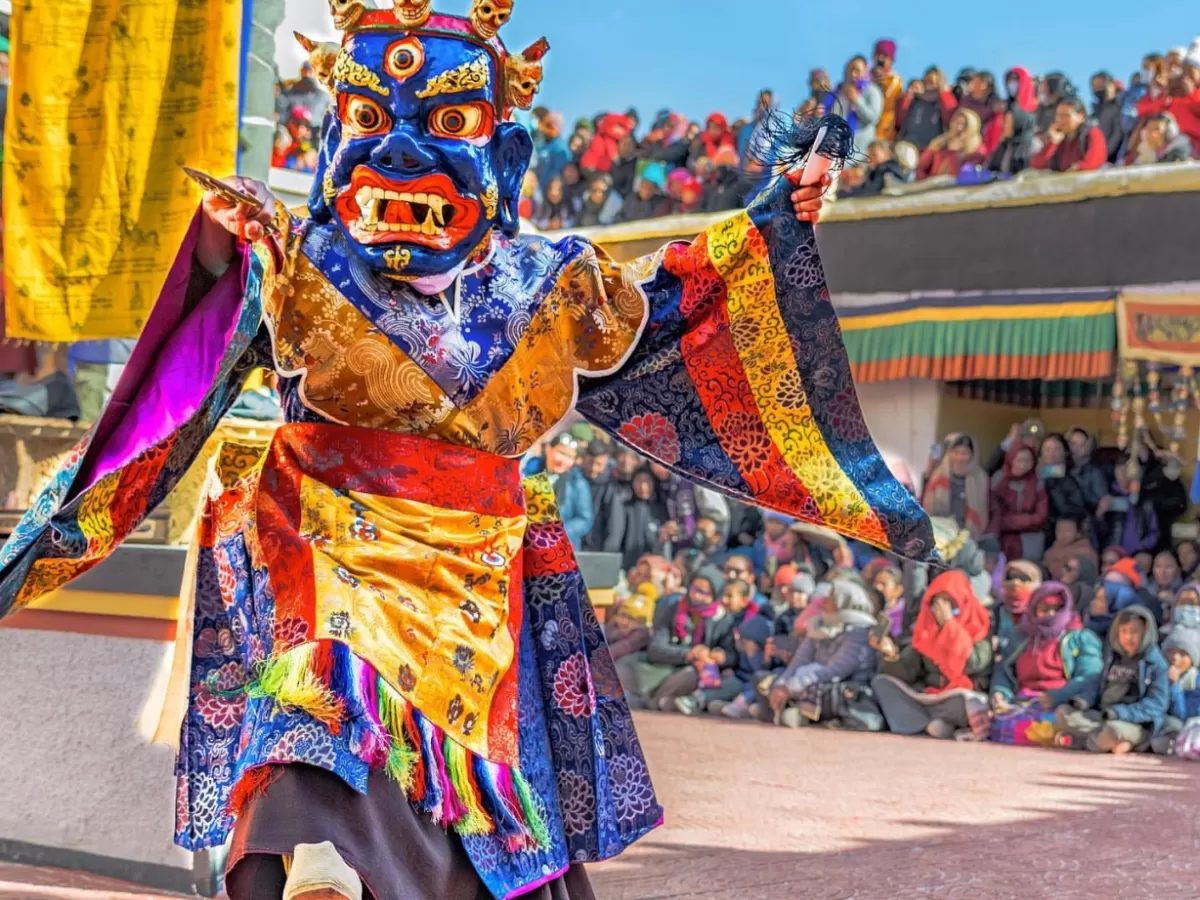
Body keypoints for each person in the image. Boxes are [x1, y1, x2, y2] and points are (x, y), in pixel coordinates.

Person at [0, 5, 936, 896]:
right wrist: (218, 254)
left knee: (474, 807)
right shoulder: (293, 262)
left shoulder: (552, 284)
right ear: (330, 145)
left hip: (476, 578)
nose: (401, 152)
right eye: (369, 119)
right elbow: (175, 384)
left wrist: (772, 222)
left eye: (447, 122)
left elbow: (669, 308)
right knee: (320, 686)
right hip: (323, 539)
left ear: (507, 155)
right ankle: (317, 856)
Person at [872, 570, 993, 740]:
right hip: (931, 696)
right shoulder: (926, 630)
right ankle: (927, 724)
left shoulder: (980, 628)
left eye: (950, 604)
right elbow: (907, 673)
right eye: (937, 605)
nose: (941, 611)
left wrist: (950, 627)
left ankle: (936, 723)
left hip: (959, 696)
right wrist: (890, 654)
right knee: (881, 683)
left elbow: (972, 663)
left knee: (967, 701)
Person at [989, 582, 1103, 744]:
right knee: (998, 723)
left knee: (1056, 724)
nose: (1051, 614)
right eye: (1044, 609)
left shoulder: (1081, 638)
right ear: (1034, 609)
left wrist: (1056, 696)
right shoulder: (1020, 635)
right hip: (1023, 702)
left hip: (1060, 702)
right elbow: (1004, 669)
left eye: (1056, 609)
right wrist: (1000, 693)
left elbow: (1089, 676)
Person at [1055, 606, 1169, 754]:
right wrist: (1084, 700)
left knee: (1113, 730)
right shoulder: (1113, 657)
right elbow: (1098, 685)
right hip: (1103, 716)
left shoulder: (1156, 664)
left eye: (1134, 632)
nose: (1128, 637)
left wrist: (1120, 712)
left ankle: (1083, 741)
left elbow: (1157, 705)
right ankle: (1104, 742)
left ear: (1146, 633)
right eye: (1124, 631)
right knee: (1063, 713)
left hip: (1132, 722)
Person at [765, 580, 879, 727]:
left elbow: (835, 670)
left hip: (841, 685)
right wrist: (782, 684)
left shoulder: (860, 631)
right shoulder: (820, 623)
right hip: (811, 679)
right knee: (767, 681)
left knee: (822, 691)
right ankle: (792, 711)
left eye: (831, 597)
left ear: (843, 602)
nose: (825, 600)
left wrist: (791, 687)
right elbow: (801, 659)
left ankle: (800, 714)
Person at [639, 567, 739, 712]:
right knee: (689, 674)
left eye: (705, 593)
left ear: (715, 595)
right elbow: (656, 648)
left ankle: (677, 702)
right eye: (695, 589)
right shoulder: (673, 608)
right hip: (669, 668)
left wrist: (719, 657)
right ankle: (656, 701)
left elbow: (732, 656)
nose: (697, 596)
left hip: (705, 674)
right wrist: (689, 654)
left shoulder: (723, 619)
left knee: (727, 679)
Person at [523, 433, 594, 550]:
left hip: (560, 547)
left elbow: (585, 519)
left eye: (569, 457)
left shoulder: (577, 483)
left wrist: (556, 532)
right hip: (527, 542)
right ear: (548, 449)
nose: (563, 461)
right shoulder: (528, 472)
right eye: (561, 453)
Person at [989, 442, 1048, 564]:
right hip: (1001, 539)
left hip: (1030, 541)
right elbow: (993, 514)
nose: (1023, 465)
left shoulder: (1037, 481)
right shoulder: (998, 479)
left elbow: (1041, 516)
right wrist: (1024, 520)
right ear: (1011, 459)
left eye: (1028, 461)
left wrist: (1010, 521)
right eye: (1019, 460)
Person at [922, 434, 990, 536]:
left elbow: (985, 512)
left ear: (972, 455)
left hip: (969, 536)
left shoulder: (980, 478)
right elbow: (925, 506)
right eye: (955, 452)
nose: (959, 458)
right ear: (949, 453)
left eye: (964, 453)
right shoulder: (938, 474)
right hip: (938, 533)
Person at [1152, 626, 1200, 755]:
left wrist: (1175, 686)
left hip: (1186, 726)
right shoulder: (1157, 673)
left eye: (1183, 654)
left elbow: (1184, 714)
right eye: (1170, 652)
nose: (1175, 658)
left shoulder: (1196, 680)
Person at [825, 55, 884, 158]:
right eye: (850, 69)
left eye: (857, 70)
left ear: (865, 71)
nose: (853, 74)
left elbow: (873, 118)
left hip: (859, 153)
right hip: (835, 150)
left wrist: (856, 100)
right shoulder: (837, 92)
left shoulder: (872, 91)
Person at [1031, 97, 1108, 172]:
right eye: (1058, 115)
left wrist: (1076, 168)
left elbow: (1095, 161)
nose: (1060, 120)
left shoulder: (1092, 133)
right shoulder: (1059, 140)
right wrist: (1053, 143)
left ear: (1081, 117)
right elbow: (1037, 164)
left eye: (1066, 115)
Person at [579, 439, 626, 554]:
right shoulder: (574, 481)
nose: (593, 468)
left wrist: (607, 555)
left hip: (597, 550)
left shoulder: (610, 488)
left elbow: (615, 526)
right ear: (583, 458)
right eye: (590, 462)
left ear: (606, 462)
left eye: (598, 464)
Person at [897, 66, 956, 150]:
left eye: (933, 81)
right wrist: (909, 95)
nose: (930, 83)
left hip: (932, 148)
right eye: (927, 79)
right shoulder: (915, 98)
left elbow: (950, 117)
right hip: (908, 145)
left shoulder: (944, 98)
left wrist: (943, 93)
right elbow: (899, 120)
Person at [622, 468, 669, 570]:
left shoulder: (661, 510)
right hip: (628, 566)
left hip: (653, 567)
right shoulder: (624, 508)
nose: (643, 487)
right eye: (639, 481)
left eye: (647, 481)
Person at [839, 140, 907, 197]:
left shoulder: (887, 169)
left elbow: (871, 192)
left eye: (874, 154)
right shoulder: (875, 172)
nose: (870, 159)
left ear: (887, 154)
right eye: (868, 156)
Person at [1042, 517, 1098, 583]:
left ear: (1078, 533)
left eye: (1068, 531)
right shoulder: (1049, 552)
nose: (1063, 534)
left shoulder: (1086, 552)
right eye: (1059, 530)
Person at [1127, 111, 1195, 163]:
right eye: (1149, 130)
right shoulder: (1145, 148)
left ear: (1169, 131)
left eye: (1157, 129)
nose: (1152, 134)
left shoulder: (1180, 146)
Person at [871, 39, 904, 141]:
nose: (881, 59)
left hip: (885, 130)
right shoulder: (864, 76)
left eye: (885, 56)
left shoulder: (895, 80)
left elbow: (889, 104)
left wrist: (883, 84)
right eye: (878, 55)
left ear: (891, 60)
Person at [1090, 72, 1126, 164]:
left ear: (1111, 85)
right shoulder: (1095, 113)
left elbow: (1118, 134)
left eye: (1101, 85)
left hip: (1114, 160)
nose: (1099, 89)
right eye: (1095, 86)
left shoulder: (1121, 106)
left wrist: (1104, 155)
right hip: (1097, 160)